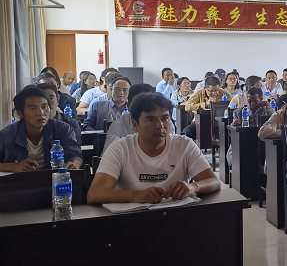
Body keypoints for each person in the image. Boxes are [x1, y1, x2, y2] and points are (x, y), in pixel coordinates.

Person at [87, 93, 220, 204]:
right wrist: (137, 195)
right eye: (151, 120)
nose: (160, 125)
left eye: (165, 118)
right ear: (135, 125)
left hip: (176, 216)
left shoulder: (184, 145)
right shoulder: (120, 149)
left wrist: (192, 187)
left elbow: (214, 181)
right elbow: (95, 194)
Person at [0, 87, 83, 171]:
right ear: (20, 113)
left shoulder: (62, 129)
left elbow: (75, 155)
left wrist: (74, 163)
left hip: (55, 177)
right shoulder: (6, 135)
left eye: (44, 107)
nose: (40, 113)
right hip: (19, 179)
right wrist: (14, 166)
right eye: (32, 108)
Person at [103, 83, 157, 152]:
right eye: (138, 105)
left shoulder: (164, 123)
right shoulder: (118, 125)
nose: (144, 109)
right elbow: (110, 154)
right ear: (128, 106)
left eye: (149, 105)